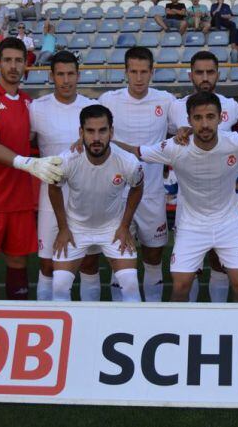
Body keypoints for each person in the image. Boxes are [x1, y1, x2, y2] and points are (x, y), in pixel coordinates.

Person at [115, 92, 238, 302]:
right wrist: (102, 141)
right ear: (189, 120)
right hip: (191, 225)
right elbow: (137, 152)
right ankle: (177, 331)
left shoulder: (237, 143)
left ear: (220, 118)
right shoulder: (176, 147)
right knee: (181, 286)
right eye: (198, 118)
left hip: (229, 223)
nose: (205, 124)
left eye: (210, 117)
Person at [0, 37, 63, 301]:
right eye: (7, 60)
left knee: (19, 265)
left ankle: (16, 321)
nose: (13, 66)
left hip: (19, 200)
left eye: (18, 60)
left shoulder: (29, 104)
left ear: (26, 66)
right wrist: (29, 163)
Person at [97, 47, 175, 302]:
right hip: (115, 196)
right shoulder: (109, 100)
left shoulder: (166, 101)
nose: (139, 78)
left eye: (144, 72)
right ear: (126, 72)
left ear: (152, 72)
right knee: (119, 257)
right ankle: (119, 312)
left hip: (152, 195)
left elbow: (185, 130)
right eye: (134, 72)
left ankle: (152, 311)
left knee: (153, 258)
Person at [49, 105, 143, 302]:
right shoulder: (68, 160)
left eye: (103, 130)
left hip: (113, 228)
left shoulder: (128, 162)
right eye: (90, 131)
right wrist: (63, 228)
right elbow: (54, 187)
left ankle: (132, 329)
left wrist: (125, 225)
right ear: (81, 132)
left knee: (131, 283)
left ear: (112, 132)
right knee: (59, 286)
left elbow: (137, 187)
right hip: (76, 228)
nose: (97, 138)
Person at [29, 51, 100, 301]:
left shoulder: (92, 108)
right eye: (60, 74)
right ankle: (48, 322)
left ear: (78, 75)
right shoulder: (36, 109)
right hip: (51, 197)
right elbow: (18, 143)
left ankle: (91, 321)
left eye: (71, 74)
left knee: (89, 263)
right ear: (51, 76)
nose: (66, 80)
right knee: (48, 265)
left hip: (86, 197)